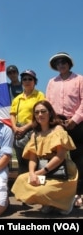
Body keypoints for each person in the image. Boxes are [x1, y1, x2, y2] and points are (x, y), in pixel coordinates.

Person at [11, 100, 78, 215]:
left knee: (42, 190)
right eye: (36, 113)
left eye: (43, 111)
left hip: (62, 170)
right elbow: (32, 158)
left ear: (50, 113)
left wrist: (42, 172)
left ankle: (67, 201)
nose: (40, 115)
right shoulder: (34, 134)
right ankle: (49, 203)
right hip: (43, 170)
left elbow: (60, 156)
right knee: (22, 180)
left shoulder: (58, 130)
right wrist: (32, 173)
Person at [46, 52, 83, 207]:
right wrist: (54, 121)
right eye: (58, 63)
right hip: (57, 123)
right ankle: (57, 192)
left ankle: (79, 193)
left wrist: (74, 120)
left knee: (79, 157)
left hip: (77, 123)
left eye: (64, 62)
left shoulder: (80, 79)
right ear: (56, 66)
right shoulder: (51, 82)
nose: (61, 65)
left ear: (69, 63)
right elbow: (47, 103)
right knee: (56, 157)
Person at [10, 70, 45, 174]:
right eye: (24, 79)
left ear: (35, 81)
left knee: (35, 159)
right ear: (21, 82)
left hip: (34, 130)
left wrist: (25, 128)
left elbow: (41, 115)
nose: (27, 81)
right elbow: (12, 114)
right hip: (19, 132)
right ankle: (23, 184)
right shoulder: (17, 98)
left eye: (30, 79)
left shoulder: (40, 95)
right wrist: (15, 128)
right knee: (22, 160)